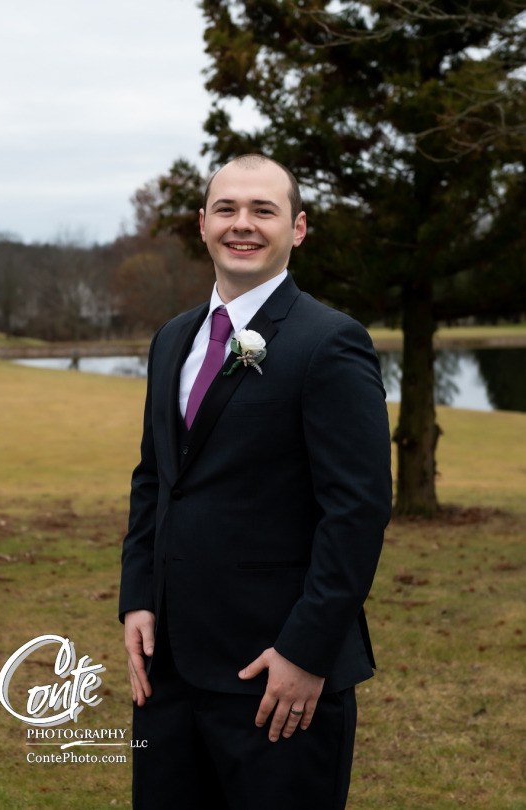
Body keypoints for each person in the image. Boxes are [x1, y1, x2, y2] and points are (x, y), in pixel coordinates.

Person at [119, 154, 392, 810]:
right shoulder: (173, 338)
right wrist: (138, 599)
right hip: (168, 672)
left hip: (276, 677)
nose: (242, 224)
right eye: (226, 209)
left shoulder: (331, 342)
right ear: (203, 225)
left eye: (263, 210)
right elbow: (157, 479)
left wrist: (305, 652)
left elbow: (356, 511)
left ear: (297, 228)